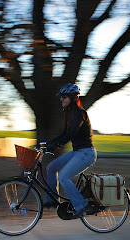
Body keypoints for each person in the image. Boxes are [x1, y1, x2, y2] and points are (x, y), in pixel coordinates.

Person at [44, 83, 97, 219]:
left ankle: (81, 206)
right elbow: (64, 133)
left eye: (65, 97)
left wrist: (57, 145)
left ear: (73, 98)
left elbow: (71, 134)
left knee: (63, 177)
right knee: (51, 167)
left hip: (86, 153)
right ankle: (52, 201)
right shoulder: (70, 114)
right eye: (61, 97)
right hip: (77, 152)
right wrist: (49, 143)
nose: (62, 99)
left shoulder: (80, 113)